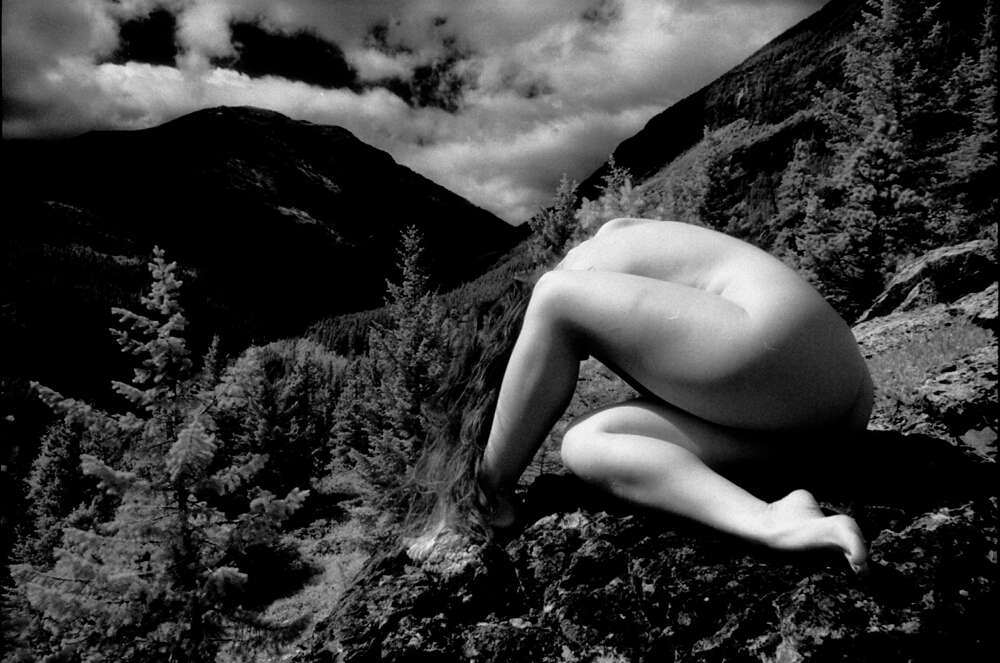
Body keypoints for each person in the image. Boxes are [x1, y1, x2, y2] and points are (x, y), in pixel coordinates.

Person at [474, 218, 872, 573]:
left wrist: (489, 481)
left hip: (777, 343)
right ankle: (769, 518)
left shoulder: (582, 263)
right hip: (826, 424)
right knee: (586, 441)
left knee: (554, 296)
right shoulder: (622, 232)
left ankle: (488, 495)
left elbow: (551, 300)